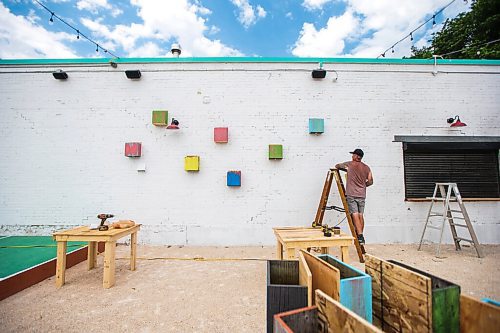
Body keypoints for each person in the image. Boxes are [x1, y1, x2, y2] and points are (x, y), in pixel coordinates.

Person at [335, 149, 373, 245]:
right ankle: (361, 236)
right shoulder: (367, 168)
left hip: (351, 194)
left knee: (355, 214)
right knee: (360, 215)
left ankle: (360, 235)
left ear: (356, 156)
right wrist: (363, 186)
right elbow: (370, 181)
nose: (352, 156)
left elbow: (337, 166)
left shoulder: (350, 164)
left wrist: (345, 169)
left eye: (353, 155)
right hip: (362, 195)